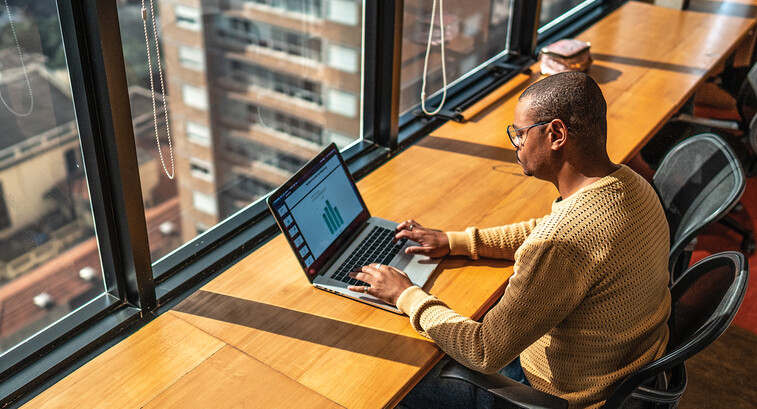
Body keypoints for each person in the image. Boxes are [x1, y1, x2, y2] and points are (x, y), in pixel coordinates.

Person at [347, 71, 672, 409]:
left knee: (394, 378)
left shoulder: (559, 244)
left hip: (563, 396)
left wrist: (406, 294)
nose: (516, 145)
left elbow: (484, 351)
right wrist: (455, 242)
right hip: (628, 372)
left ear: (556, 134)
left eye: (519, 134)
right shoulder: (632, 184)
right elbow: (543, 229)